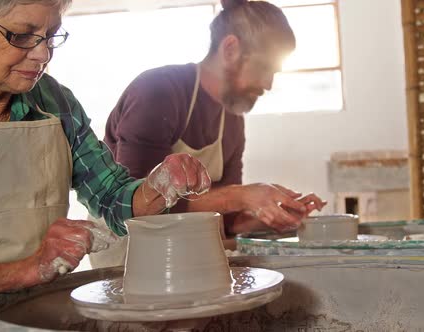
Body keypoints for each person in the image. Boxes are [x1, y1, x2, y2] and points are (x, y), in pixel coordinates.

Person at [0, 0, 210, 326]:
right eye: (23, 35)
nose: (43, 55)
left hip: (35, 317)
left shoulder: (55, 103)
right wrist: (18, 272)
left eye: (51, 35)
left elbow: (112, 198)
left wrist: (157, 187)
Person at [103, 0, 326, 241]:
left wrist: (271, 214)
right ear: (230, 49)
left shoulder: (232, 119)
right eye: (264, 68)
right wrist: (241, 195)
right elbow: (139, 208)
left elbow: (228, 221)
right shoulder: (158, 91)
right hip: (127, 247)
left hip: (188, 248)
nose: (268, 84)